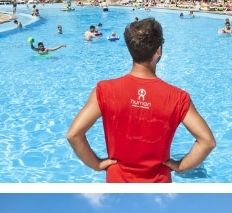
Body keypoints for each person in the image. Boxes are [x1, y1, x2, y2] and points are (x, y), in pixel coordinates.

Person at [66, 17, 216, 182]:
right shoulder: (178, 97)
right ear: (158, 50)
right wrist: (181, 166)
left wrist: (96, 164)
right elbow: (207, 142)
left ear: (130, 49)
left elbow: (74, 135)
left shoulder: (105, 90)